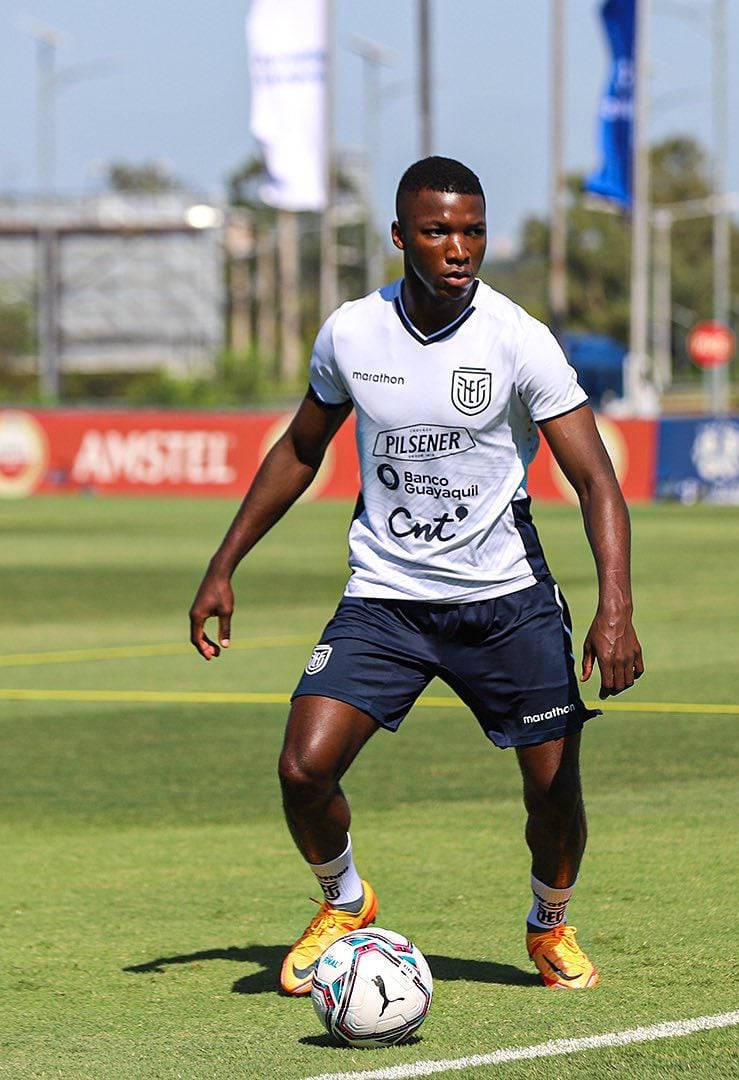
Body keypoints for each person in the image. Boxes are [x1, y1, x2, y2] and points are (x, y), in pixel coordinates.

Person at [188, 156, 643, 994]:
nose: (458, 248)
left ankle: (549, 925)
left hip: (506, 603)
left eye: (471, 230)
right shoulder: (352, 333)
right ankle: (346, 901)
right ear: (402, 237)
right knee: (302, 768)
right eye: (437, 231)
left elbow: (596, 480)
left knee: (552, 792)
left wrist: (614, 607)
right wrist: (223, 564)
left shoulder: (517, 338)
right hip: (385, 602)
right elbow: (299, 449)